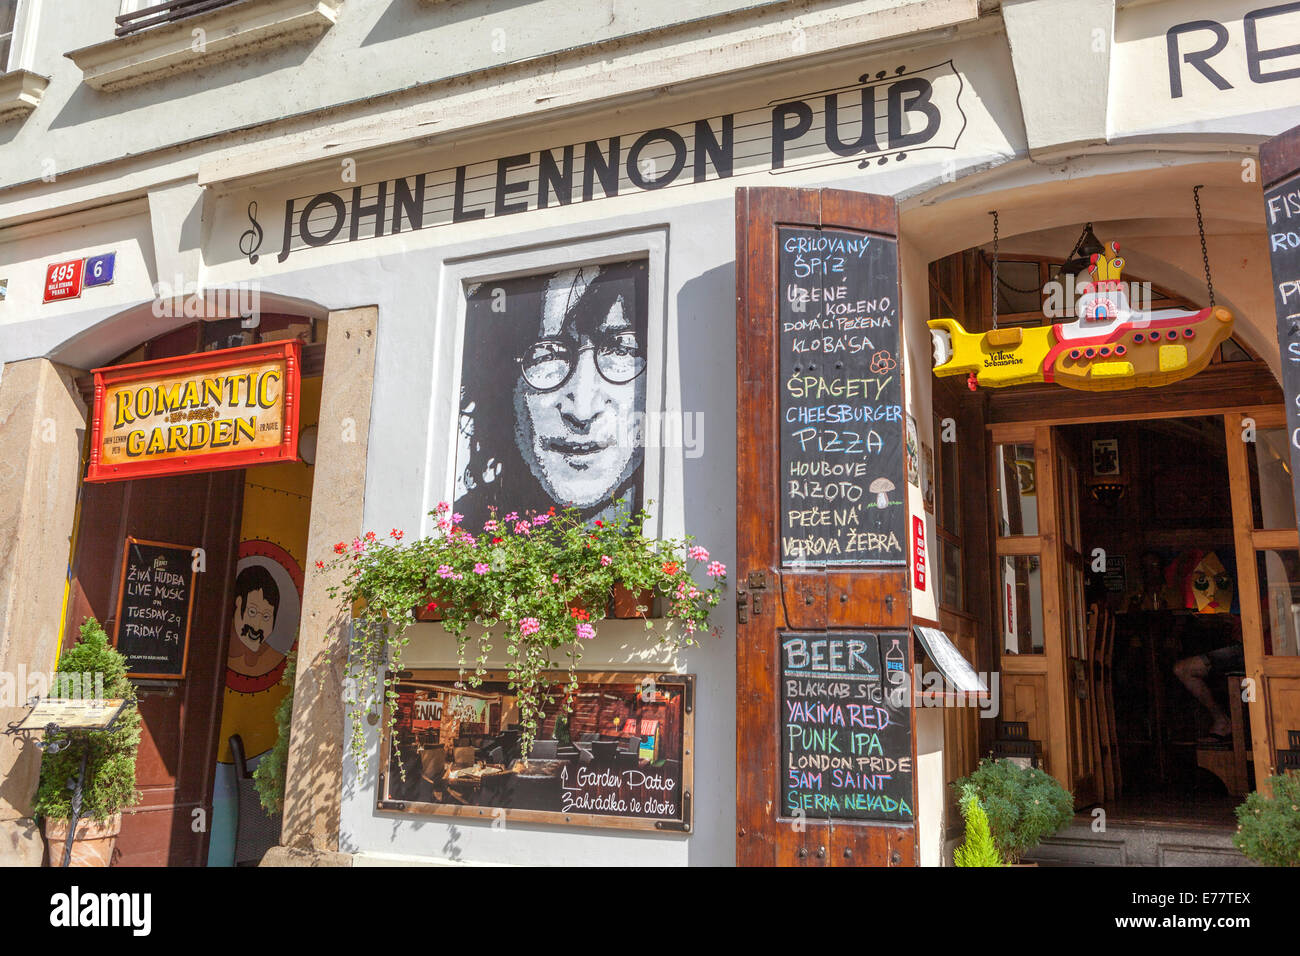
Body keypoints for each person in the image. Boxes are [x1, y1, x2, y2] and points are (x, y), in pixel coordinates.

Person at [455, 260, 649, 528]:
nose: (581, 411)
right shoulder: (456, 537)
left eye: (623, 349)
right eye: (548, 355)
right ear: (504, 386)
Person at [1169, 550, 1241, 743]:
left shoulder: (1255, 595)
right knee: (1181, 667)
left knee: (1183, 669)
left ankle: (1223, 721)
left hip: (1246, 651)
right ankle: (1220, 721)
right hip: (1230, 649)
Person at [226, 564, 281, 680]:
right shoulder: (212, 649)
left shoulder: (278, 661)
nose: (257, 626)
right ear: (238, 602)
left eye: (266, 617)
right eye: (252, 612)